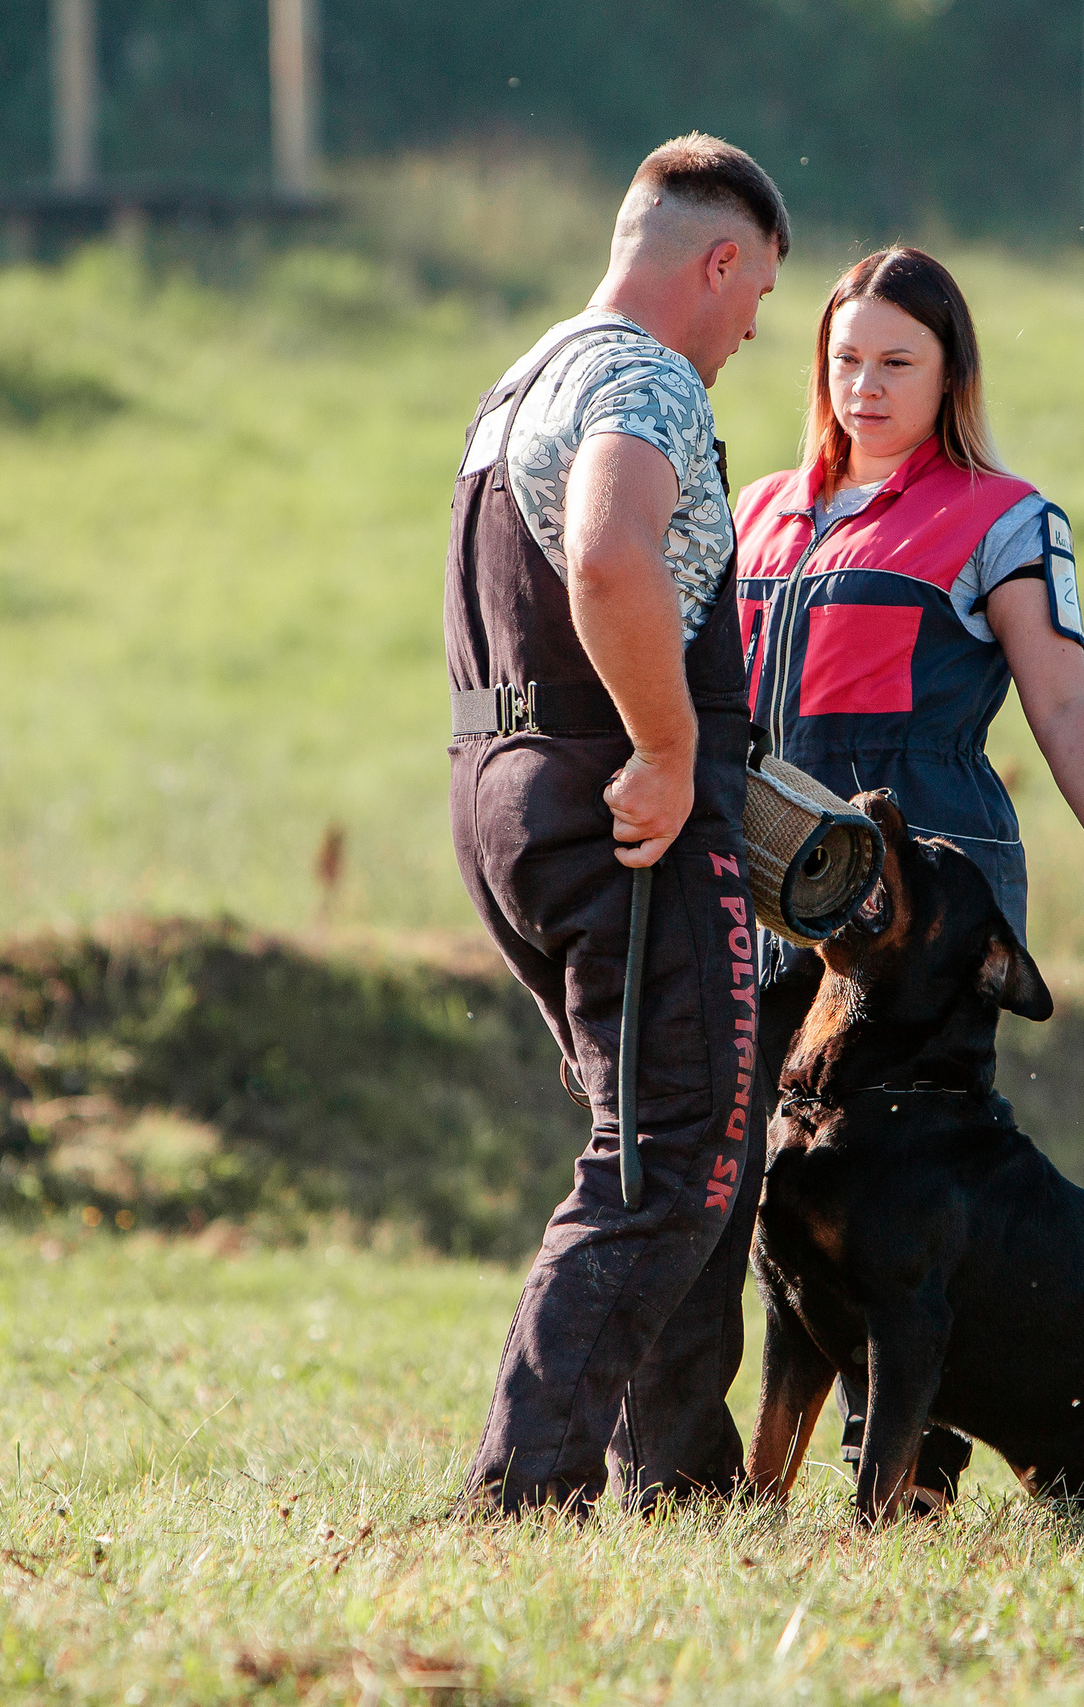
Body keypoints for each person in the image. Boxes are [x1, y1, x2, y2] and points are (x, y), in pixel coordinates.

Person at [731, 246, 1084, 1506]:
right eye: (845, 360)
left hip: (917, 897)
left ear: (949, 373)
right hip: (772, 880)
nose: (864, 386)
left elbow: (1060, 694)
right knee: (771, 1174)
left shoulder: (1002, 517)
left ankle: (911, 1473)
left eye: (896, 364)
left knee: (902, 1192)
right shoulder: (758, 507)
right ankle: (750, 1464)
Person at [445, 134, 787, 1513]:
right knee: (672, 1150)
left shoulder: (520, 376)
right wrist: (667, 744)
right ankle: (524, 1492)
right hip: (615, 795)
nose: (748, 335)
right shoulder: (643, 375)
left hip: (503, 781)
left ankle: (683, 1480)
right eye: (756, 301)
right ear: (720, 262)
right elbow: (604, 551)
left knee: (673, 1129)